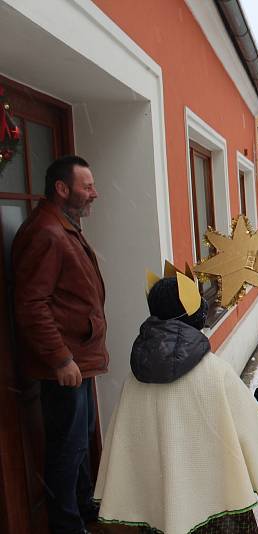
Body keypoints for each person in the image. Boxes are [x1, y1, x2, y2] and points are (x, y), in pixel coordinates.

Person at [93, 272, 258, 533]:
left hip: (160, 509)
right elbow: (247, 430)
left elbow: (128, 442)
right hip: (217, 510)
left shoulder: (136, 378)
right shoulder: (214, 373)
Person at [12, 155, 106, 533]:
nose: (94, 193)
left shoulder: (64, 226)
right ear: (62, 189)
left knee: (80, 443)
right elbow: (31, 304)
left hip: (79, 361)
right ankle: (68, 526)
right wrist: (61, 358)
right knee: (67, 451)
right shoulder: (46, 232)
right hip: (65, 367)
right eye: (87, 186)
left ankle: (83, 511)